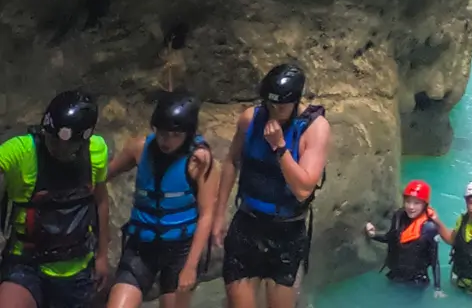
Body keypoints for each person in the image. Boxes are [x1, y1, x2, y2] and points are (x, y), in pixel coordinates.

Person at [214, 64, 330, 308]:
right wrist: (218, 215)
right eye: (270, 104)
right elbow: (232, 161)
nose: (275, 111)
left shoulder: (314, 128)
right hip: (248, 223)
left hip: (286, 232)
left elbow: (303, 189)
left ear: (296, 101)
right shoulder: (250, 119)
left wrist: (279, 148)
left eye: (282, 106)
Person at [0, 90, 111, 308]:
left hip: (77, 268)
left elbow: (101, 201)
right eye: (52, 139)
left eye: (67, 145)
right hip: (26, 263)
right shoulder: (23, 150)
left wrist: (102, 256)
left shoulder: (96, 150)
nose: (58, 148)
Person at [106, 93, 217, 308]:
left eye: (175, 134)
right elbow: (103, 176)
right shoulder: (138, 148)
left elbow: (206, 215)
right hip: (141, 246)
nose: (167, 140)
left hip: (180, 250)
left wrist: (191, 266)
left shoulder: (199, 162)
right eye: (162, 133)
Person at [363, 180, 443, 294]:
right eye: (408, 201)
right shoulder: (399, 216)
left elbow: (435, 261)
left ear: (425, 205)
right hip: (395, 276)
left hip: (416, 282)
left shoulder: (429, 228)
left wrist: (437, 288)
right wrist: (373, 235)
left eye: (416, 203)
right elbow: (390, 238)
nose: (411, 207)